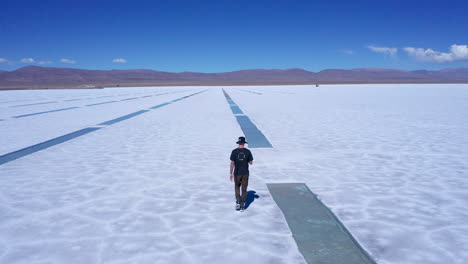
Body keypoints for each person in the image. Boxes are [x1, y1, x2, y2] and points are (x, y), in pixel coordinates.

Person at [230, 136, 253, 212]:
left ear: (238, 143)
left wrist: (231, 173)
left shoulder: (234, 151)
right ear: (244, 143)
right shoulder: (248, 152)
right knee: (244, 189)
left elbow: (232, 163)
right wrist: (246, 160)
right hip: (245, 173)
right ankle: (242, 205)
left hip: (237, 173)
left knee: (237, 187)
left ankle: (238, 202)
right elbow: (251, 163)